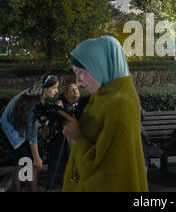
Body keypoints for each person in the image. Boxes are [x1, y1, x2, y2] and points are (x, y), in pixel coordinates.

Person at [58, 36, 148, 192]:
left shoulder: (119, 103)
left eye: (81, 73)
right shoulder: (105, 95)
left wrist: (76, 137)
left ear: (98, 66)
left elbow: (109, 174)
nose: (78, 82)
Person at [0, 74, 60, 192]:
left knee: (24, 161)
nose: (57, 91)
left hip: (15, 127)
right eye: (54, 88)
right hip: (11, 130)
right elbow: (32, 134)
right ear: (44, 88)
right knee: (28, 161)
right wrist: (37, 157)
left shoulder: (35, 93)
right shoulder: (33, 102)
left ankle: (29, 189)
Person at [45, 83, 88, 192]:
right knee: (56, 164)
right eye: (72, 90)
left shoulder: (81, 103)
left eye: (76, 89)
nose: (75, 91)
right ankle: (50, 188)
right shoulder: (60, 104)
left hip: (76, 140)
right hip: (61, 139)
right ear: (65, 94)